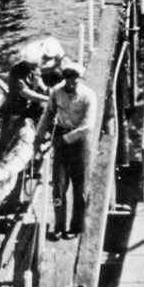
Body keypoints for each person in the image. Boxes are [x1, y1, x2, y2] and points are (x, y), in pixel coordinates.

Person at [35, 61, 97, 239]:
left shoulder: (88, 96)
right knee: (58, 188)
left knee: (81, 188)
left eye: (74, 80)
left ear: (80, 79)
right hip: (61, 141)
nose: (70, 83)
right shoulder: (56, 92)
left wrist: (63, 140)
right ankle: (59, 225)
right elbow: (48, 114)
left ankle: (77, 227)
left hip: (80, 142)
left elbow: (88, 125)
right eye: (67, 79)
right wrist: (38, 137)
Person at [0, 46, 50, 151]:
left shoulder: (35, 67)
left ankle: (39, 145)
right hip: (15, 108)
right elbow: (25, 93)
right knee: (7, 138)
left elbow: (39, 82)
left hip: (30, 107)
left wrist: (47, 90)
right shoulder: (17, 70)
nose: (34, 65)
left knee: (44, 117)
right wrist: (47, 98)